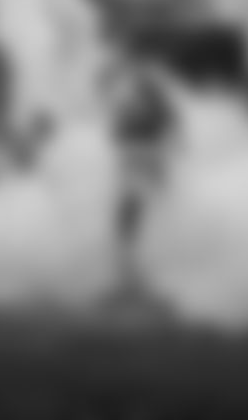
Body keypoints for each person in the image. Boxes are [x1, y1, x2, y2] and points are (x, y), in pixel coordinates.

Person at [104, 61, 177, 316]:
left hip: (143, 166)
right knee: (133, 225)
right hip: (142, 166)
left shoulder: (142, 109)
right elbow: (117, 134)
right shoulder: (149, 109)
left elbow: (118, 133)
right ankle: (132, 279)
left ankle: (135, 280)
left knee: (134, 225)